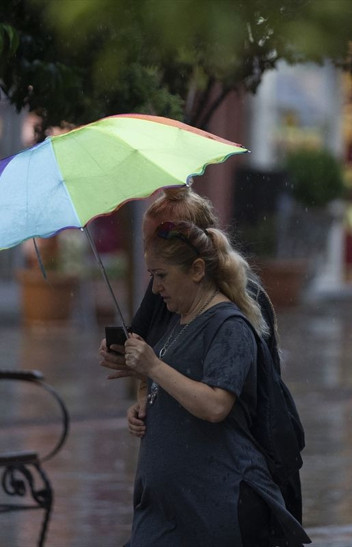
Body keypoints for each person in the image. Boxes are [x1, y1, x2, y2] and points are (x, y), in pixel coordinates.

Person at [99, 186, 303, 524]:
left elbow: (221, 400)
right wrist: (141, 390)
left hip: (233, 476)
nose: (151, 249)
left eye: (161, 238)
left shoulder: (233, 308)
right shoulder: (167, 293)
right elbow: (156, 353)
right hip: (175, 497)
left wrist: (153, 367)